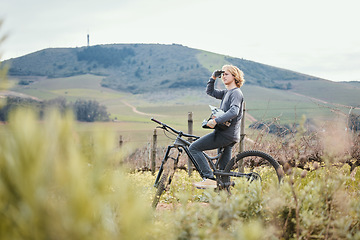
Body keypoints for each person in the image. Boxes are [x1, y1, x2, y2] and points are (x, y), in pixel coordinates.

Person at [189, 64, 245, 189]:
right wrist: (213, 77)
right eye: (222, 74)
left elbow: (234, 111)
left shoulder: (236, 93)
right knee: (224, 171)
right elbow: (210, 91)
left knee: (194, 148)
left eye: (226, 74)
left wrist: (216, 121)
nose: (223, 77)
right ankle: (225, 198)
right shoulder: (227, 92)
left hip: (225, 135)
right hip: (228, 135)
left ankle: (208, 178)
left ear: (234, 76)